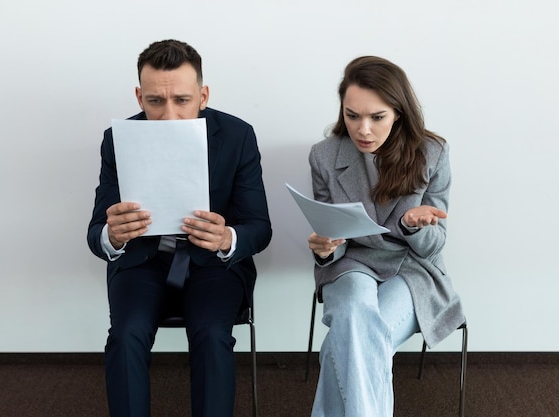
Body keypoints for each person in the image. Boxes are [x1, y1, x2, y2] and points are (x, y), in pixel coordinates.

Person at [87, 39, 272, 417]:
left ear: (203, 95)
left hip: (213, 264)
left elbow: (260, 227)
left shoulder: (238, 136)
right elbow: (95, 233)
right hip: (142, 261)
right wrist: (113, 236)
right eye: (155, 101)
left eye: (182, 100)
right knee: (125, 337)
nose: (169, 115)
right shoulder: (117, 140)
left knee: (212, 335)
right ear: (139, 97)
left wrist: (227, 238)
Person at [306, 56, 465, 417]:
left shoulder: (432, 153)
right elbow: (329, 232)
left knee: (345, 344)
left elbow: (436, 245)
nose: (363, 129)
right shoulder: (324, 155)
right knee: (357, 321)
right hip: (351, 263)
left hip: (411, 269)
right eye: (352, 115)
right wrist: (325, 248)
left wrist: (415, 226)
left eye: (376, 117)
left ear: (398, 113)